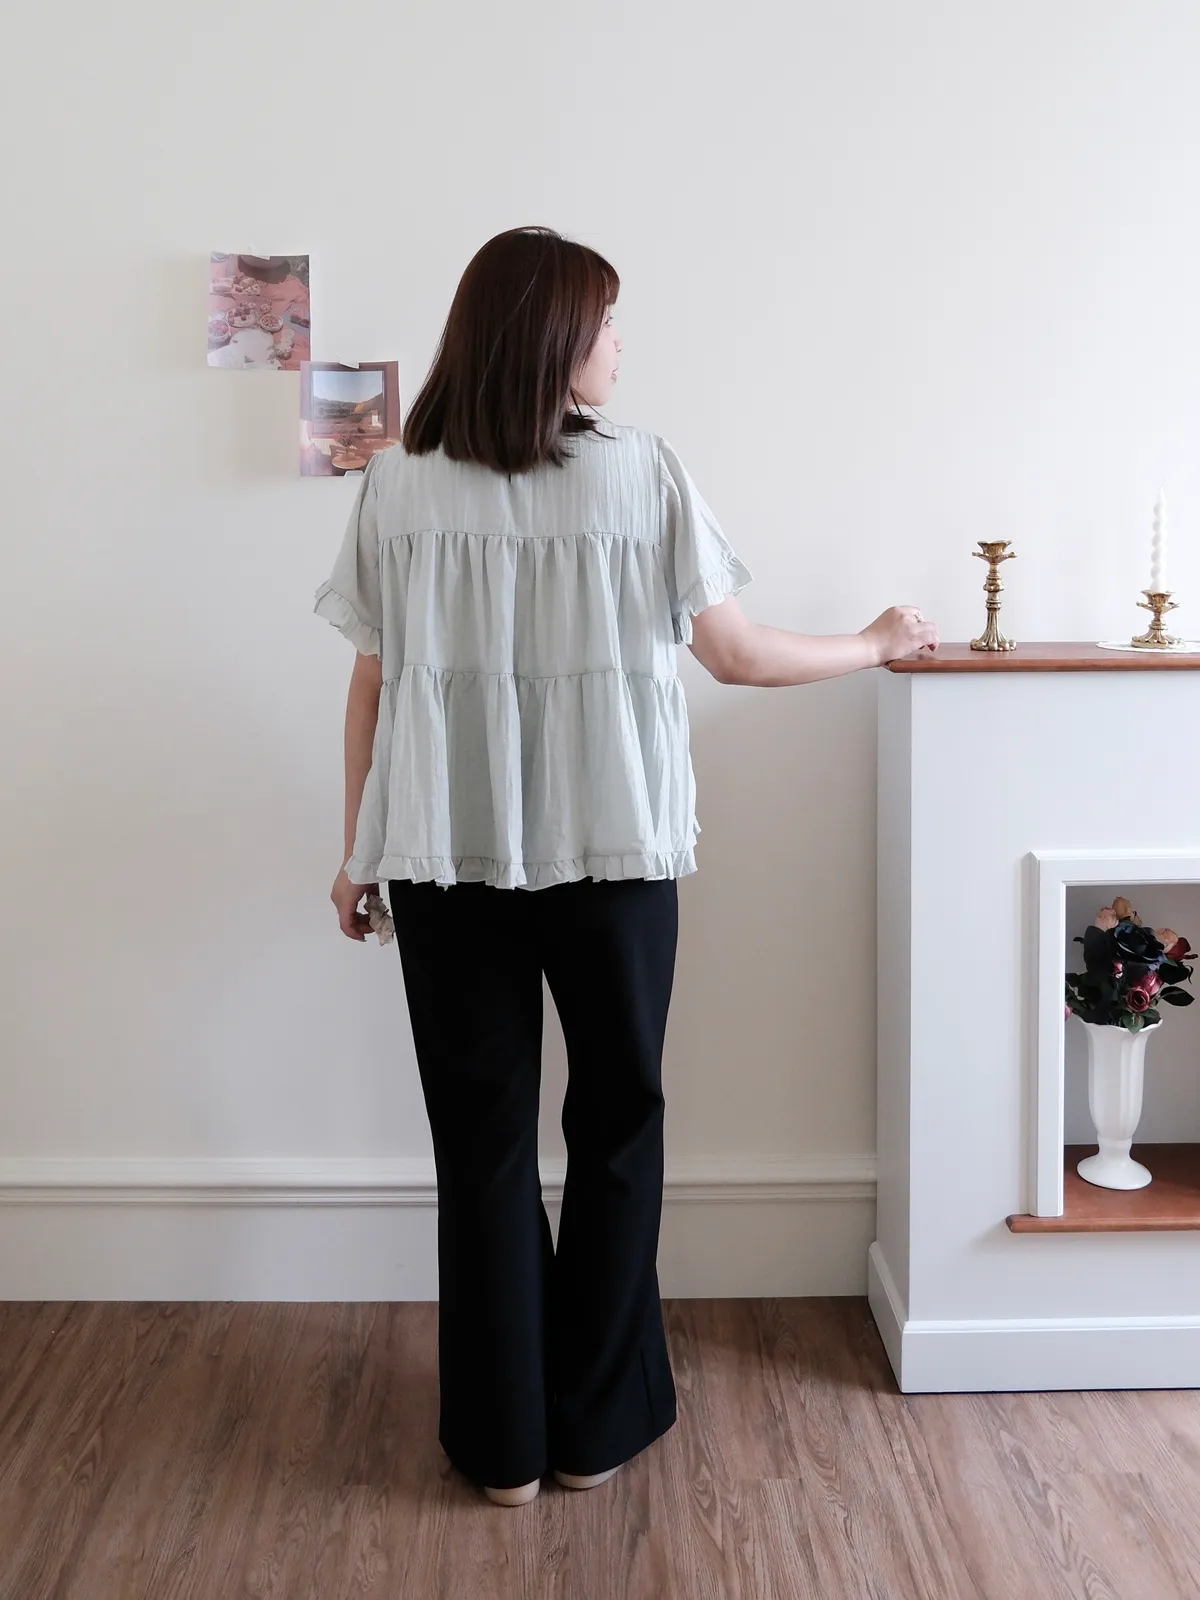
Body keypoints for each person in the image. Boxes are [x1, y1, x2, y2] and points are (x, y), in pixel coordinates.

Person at [313, 226, 938, 1509]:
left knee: (480, 1146)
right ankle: (591, 1429)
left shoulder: (396, 486)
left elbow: (371, 685)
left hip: (442, 858)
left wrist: (356, 849)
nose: (618, 346)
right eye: (606, 324)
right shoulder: (642, 471)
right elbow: (738, 656)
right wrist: (875, 642)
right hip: (615, 856)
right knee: (616, 1129)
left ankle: (501, 1448)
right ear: (554, 339)